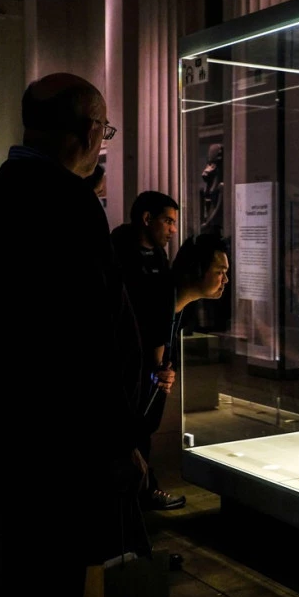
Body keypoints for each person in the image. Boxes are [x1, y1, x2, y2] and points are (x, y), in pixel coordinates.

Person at [0, 73, 151, 597]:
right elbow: (91, 337)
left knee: (31, 572)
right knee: (73, 582)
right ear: (89, 131)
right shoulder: (69, 202)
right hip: (72, 440)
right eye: (105, 130)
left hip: (15, 427)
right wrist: (120, 440)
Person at [112, 190, 185, 511]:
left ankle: (140, 489)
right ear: (146, 219)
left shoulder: (157, 257)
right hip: (123, 359)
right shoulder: (116, 255)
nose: (173, 229)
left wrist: (164, 360)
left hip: (149, 360)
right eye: (167, 221)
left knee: (143, 426)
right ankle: (133, 491)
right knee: (127, 426)